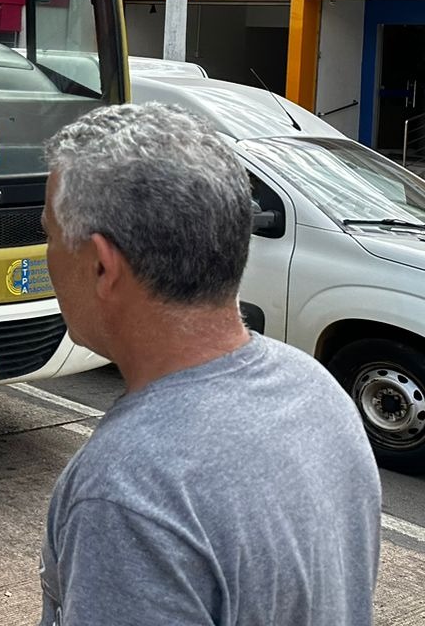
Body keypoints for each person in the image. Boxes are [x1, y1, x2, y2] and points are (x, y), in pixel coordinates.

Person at [37, 102, 380, 626]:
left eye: (49, 237)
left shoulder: (130, 491)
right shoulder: (316, 390)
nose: (47, 259)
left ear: (103, 265)